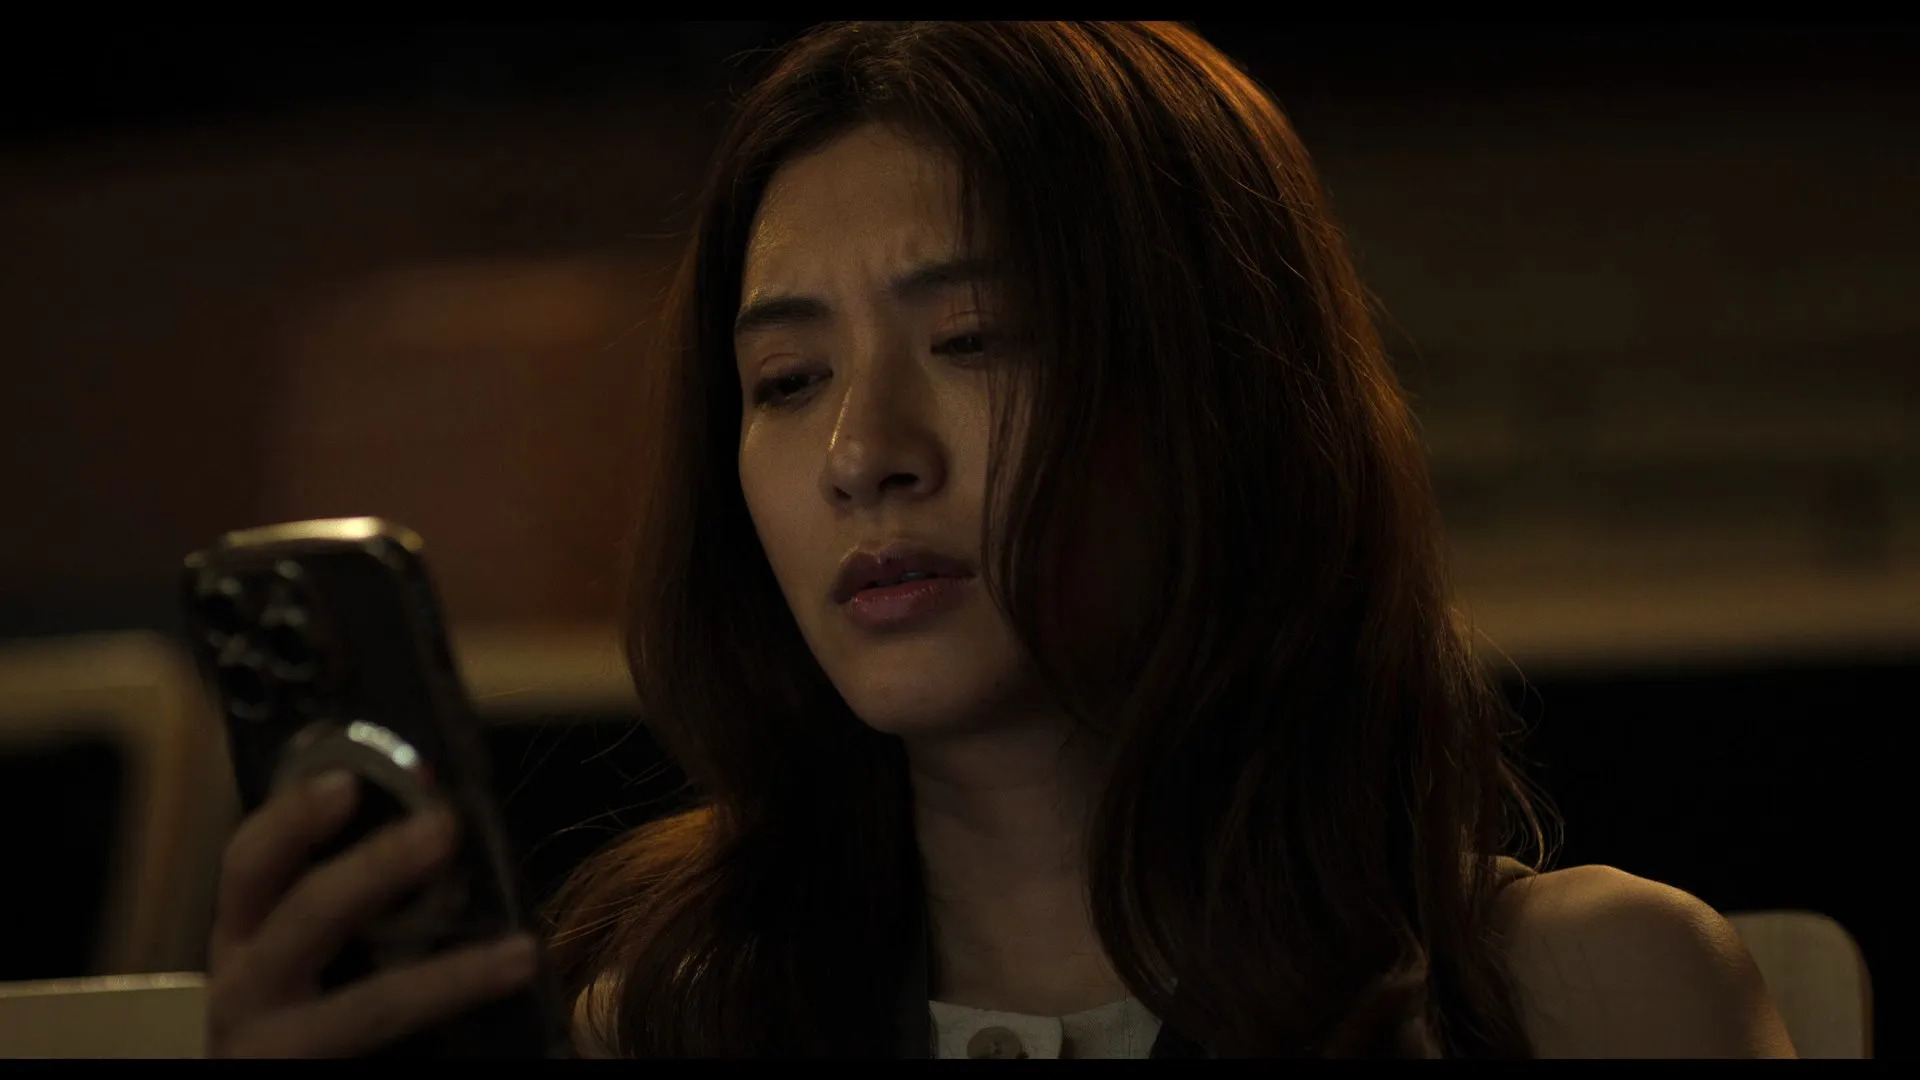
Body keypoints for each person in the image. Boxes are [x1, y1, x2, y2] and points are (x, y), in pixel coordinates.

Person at [202, 22, 1797, 1058]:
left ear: (1223, 399)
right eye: (787, 380)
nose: (863, 453)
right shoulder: (657, 1034)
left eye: (974, 340)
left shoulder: (1579, 997)